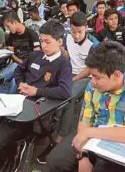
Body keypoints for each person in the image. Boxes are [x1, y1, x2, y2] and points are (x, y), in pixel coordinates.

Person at [46, 41, 125, 172]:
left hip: (121, 144)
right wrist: (83, 156)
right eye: (91, 75)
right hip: (92, 139)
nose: (92, 81)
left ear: (116, 75)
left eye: (97, 77)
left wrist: (90, 132)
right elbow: (85, 122)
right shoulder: (92, 87)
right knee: (54, 161)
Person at [0, 20, 73, 171]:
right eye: (41, 41)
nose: (43, 45)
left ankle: (14, 152)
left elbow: (65, 91)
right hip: (19, 100)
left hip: (37, 107)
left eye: (47, 42)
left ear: (60, 42)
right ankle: (11, 148)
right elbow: (19, 70)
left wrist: (37, 91)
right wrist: (20, 83)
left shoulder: (63, 63)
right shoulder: (36, 55)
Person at [36, 12, 98, 164]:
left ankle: (58, 139)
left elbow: (90, 70)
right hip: (68, 72)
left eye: (80, 32)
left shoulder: (93, 45)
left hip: (84, 78)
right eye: (73, 31)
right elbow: (66, 55)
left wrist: (72, 78)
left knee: (67, 97)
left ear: (86, 28)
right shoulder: (67, 37)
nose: (76, 35)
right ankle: (45, 126)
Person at [0, 11, 41, 94]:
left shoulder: (31, 34)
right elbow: (11, 52)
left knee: (15, 82)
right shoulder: (11, 35)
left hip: (29, 66)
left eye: (8, 26)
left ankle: (10, 102)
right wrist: (18, 60)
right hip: (17, 64)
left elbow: (37, 56)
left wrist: (23, 63)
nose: (7, 29)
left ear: (15, 22)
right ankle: (3, 98)